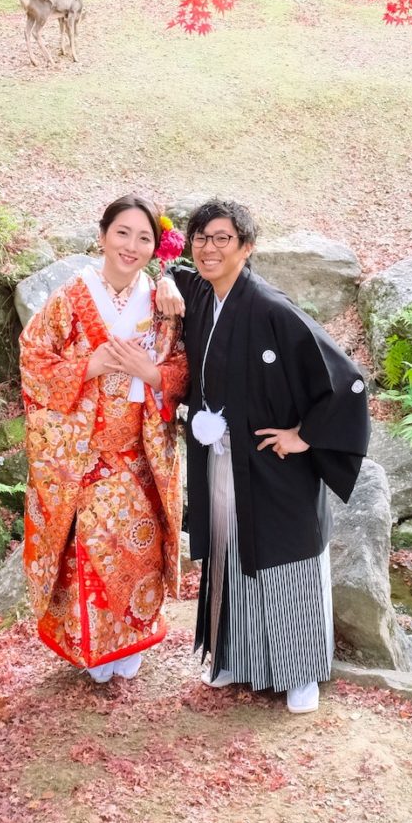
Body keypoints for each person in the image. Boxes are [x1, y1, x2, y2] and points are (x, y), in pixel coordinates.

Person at [155, 200, 370, 714]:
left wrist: (305, 435)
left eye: (222, 238)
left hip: (275, 467)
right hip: (223, 458)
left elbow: (348, 380)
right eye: (201, 237)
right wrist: (164, 274)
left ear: (246, 248)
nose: (209, 248)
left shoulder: (272, 308)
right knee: (229, 554)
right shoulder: (203, 295)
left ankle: (300, 675)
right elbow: (168, 265)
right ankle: (234, 658)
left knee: (286, 562)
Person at [19, 195, 189, 683]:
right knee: (90, 553)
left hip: (138, 449)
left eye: (143, 238)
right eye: (122, 233)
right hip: (85, 451)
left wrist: (152, 373)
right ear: (102, 235)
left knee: (139, 550)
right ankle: (94, 650)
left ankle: (131, 644)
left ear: (155, 247)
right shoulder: (72, 295)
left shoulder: (161, 298)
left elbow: (181, 366)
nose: (131, 246)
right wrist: (88, 366)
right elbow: (33, 355)